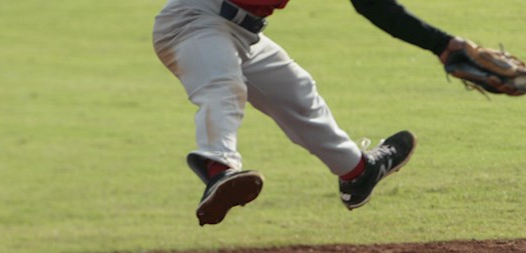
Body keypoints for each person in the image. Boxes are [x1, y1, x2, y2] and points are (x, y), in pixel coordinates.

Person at [151, 0, 480, 226]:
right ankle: (216, 170)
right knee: (223, 87)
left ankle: (358, 172)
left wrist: (443, 45)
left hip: (246, 34)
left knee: (297, 94)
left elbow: (372, 5)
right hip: (193, 21)